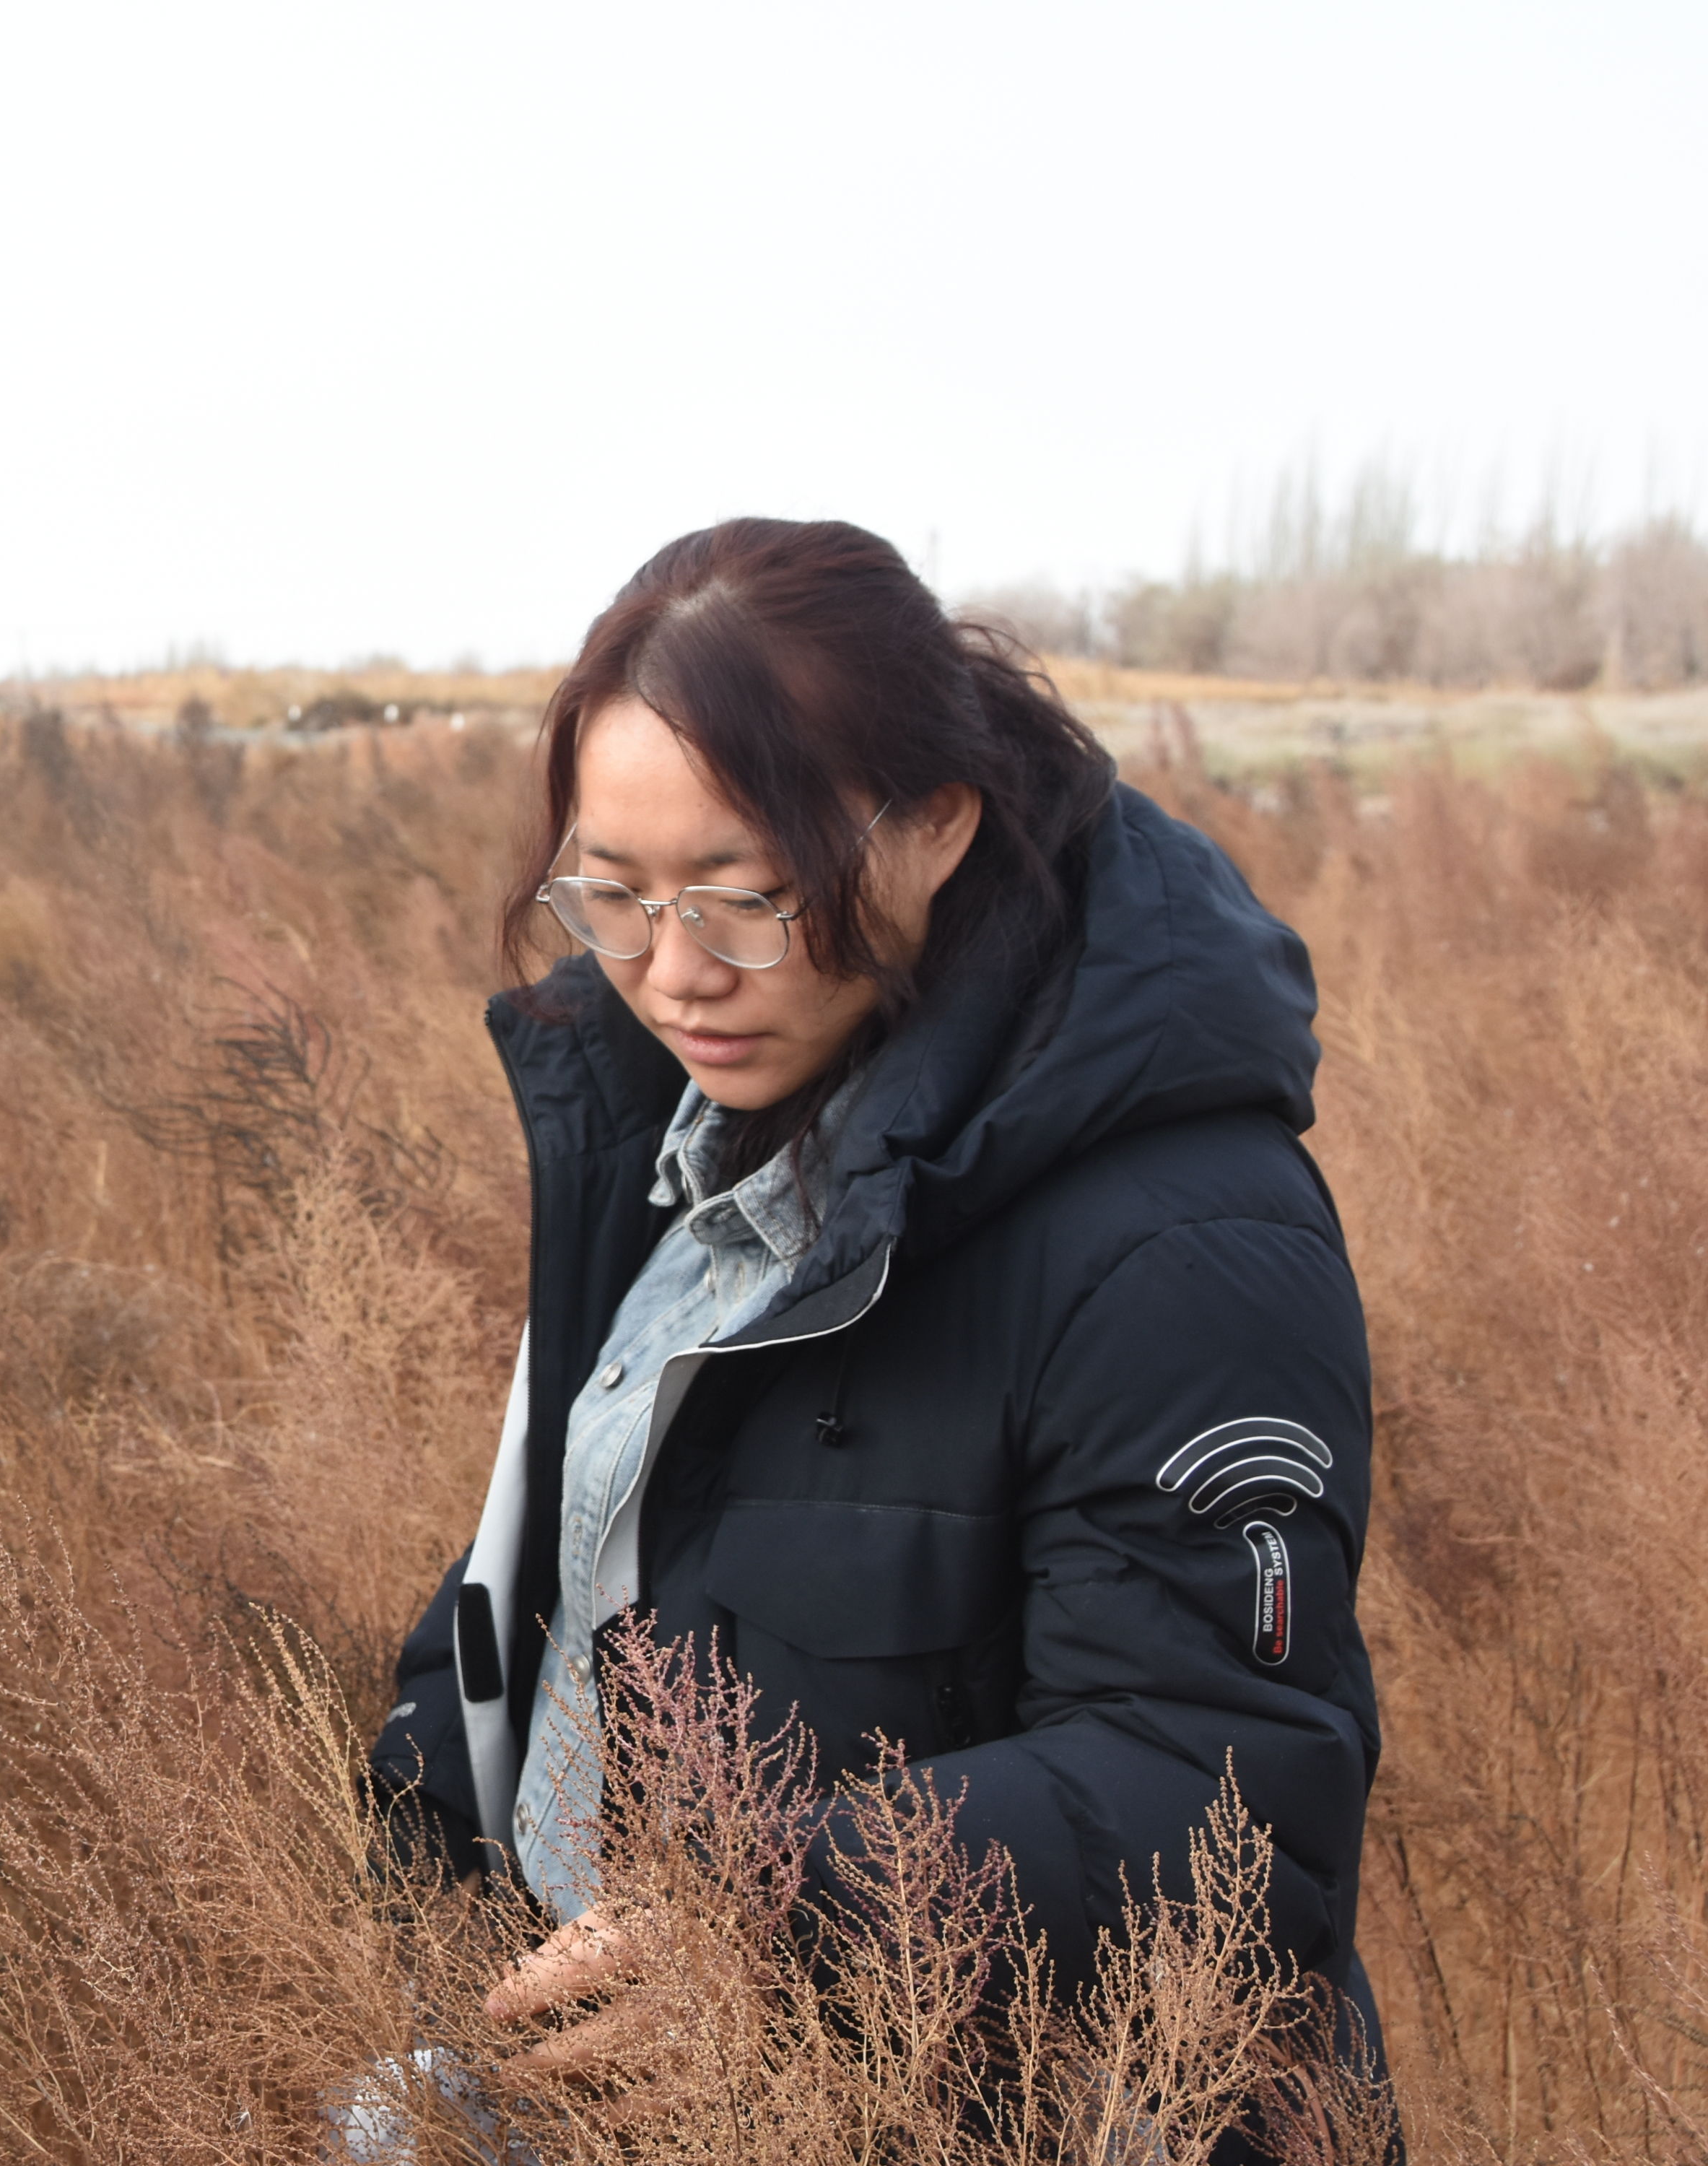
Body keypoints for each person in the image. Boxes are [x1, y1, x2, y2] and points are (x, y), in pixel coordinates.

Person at [366, 520, 1384, 2084]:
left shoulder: (1180, 1240)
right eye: (611, 894)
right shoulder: (678, 1126)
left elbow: (1229, 1797)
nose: (671, 973)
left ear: (934, 829)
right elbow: (566, 1558)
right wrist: (408, 1863)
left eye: (744, 894)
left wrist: (785, 1936)